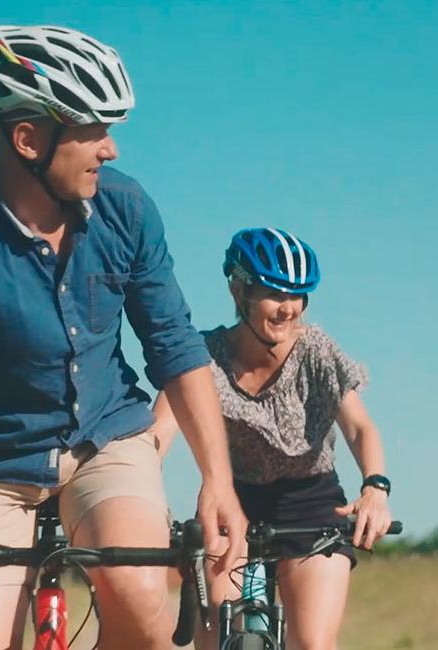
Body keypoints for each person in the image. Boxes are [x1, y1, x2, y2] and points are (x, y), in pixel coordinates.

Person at [0, 24, 246, 649]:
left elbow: (176, 348)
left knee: (141, 600)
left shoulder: (126, 208)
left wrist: (219, 481)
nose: (112, 150)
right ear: (28, 139)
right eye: (95, 131)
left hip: (106, 438)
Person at [152, 227, 394, 650]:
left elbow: (359, 427)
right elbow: (158, 434)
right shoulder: (203, 357)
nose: (289, 309)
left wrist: (375, 488)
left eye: (298, 296)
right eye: (274, 294)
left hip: (313, 503)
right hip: (231, 500)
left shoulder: (315, 350)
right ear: (237, 289)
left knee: (314, 643)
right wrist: (143, 499)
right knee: (216, 639)